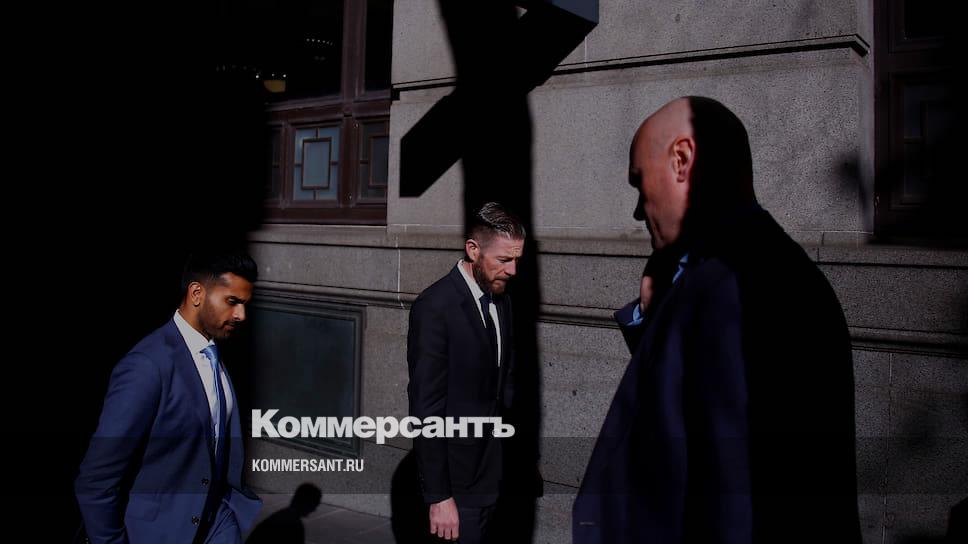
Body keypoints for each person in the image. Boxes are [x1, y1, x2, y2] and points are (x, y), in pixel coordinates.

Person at [573, 97, 861, 543]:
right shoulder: (736, 271)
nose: (637, 210)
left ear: (682, 159)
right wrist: (654, 314)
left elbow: (732, 498)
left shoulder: (738, 284)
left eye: (639, 182)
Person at [75, 249, 263, 543]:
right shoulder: (147, 366)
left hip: (216, 523)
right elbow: (96, 480)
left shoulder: (215, 352)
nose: (241, 315)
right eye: (232, 302)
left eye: (245, 304)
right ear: (197, 293)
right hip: (159, 532)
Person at [407, 202, 525, 543]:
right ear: (473, 250)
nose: (513, 270)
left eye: (517, 259)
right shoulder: (435, 307)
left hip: (495, 472)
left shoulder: (503, 299)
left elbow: (505, 376)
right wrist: (439, 496)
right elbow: (426, 407)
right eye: (504, 259)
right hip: (456, 484)